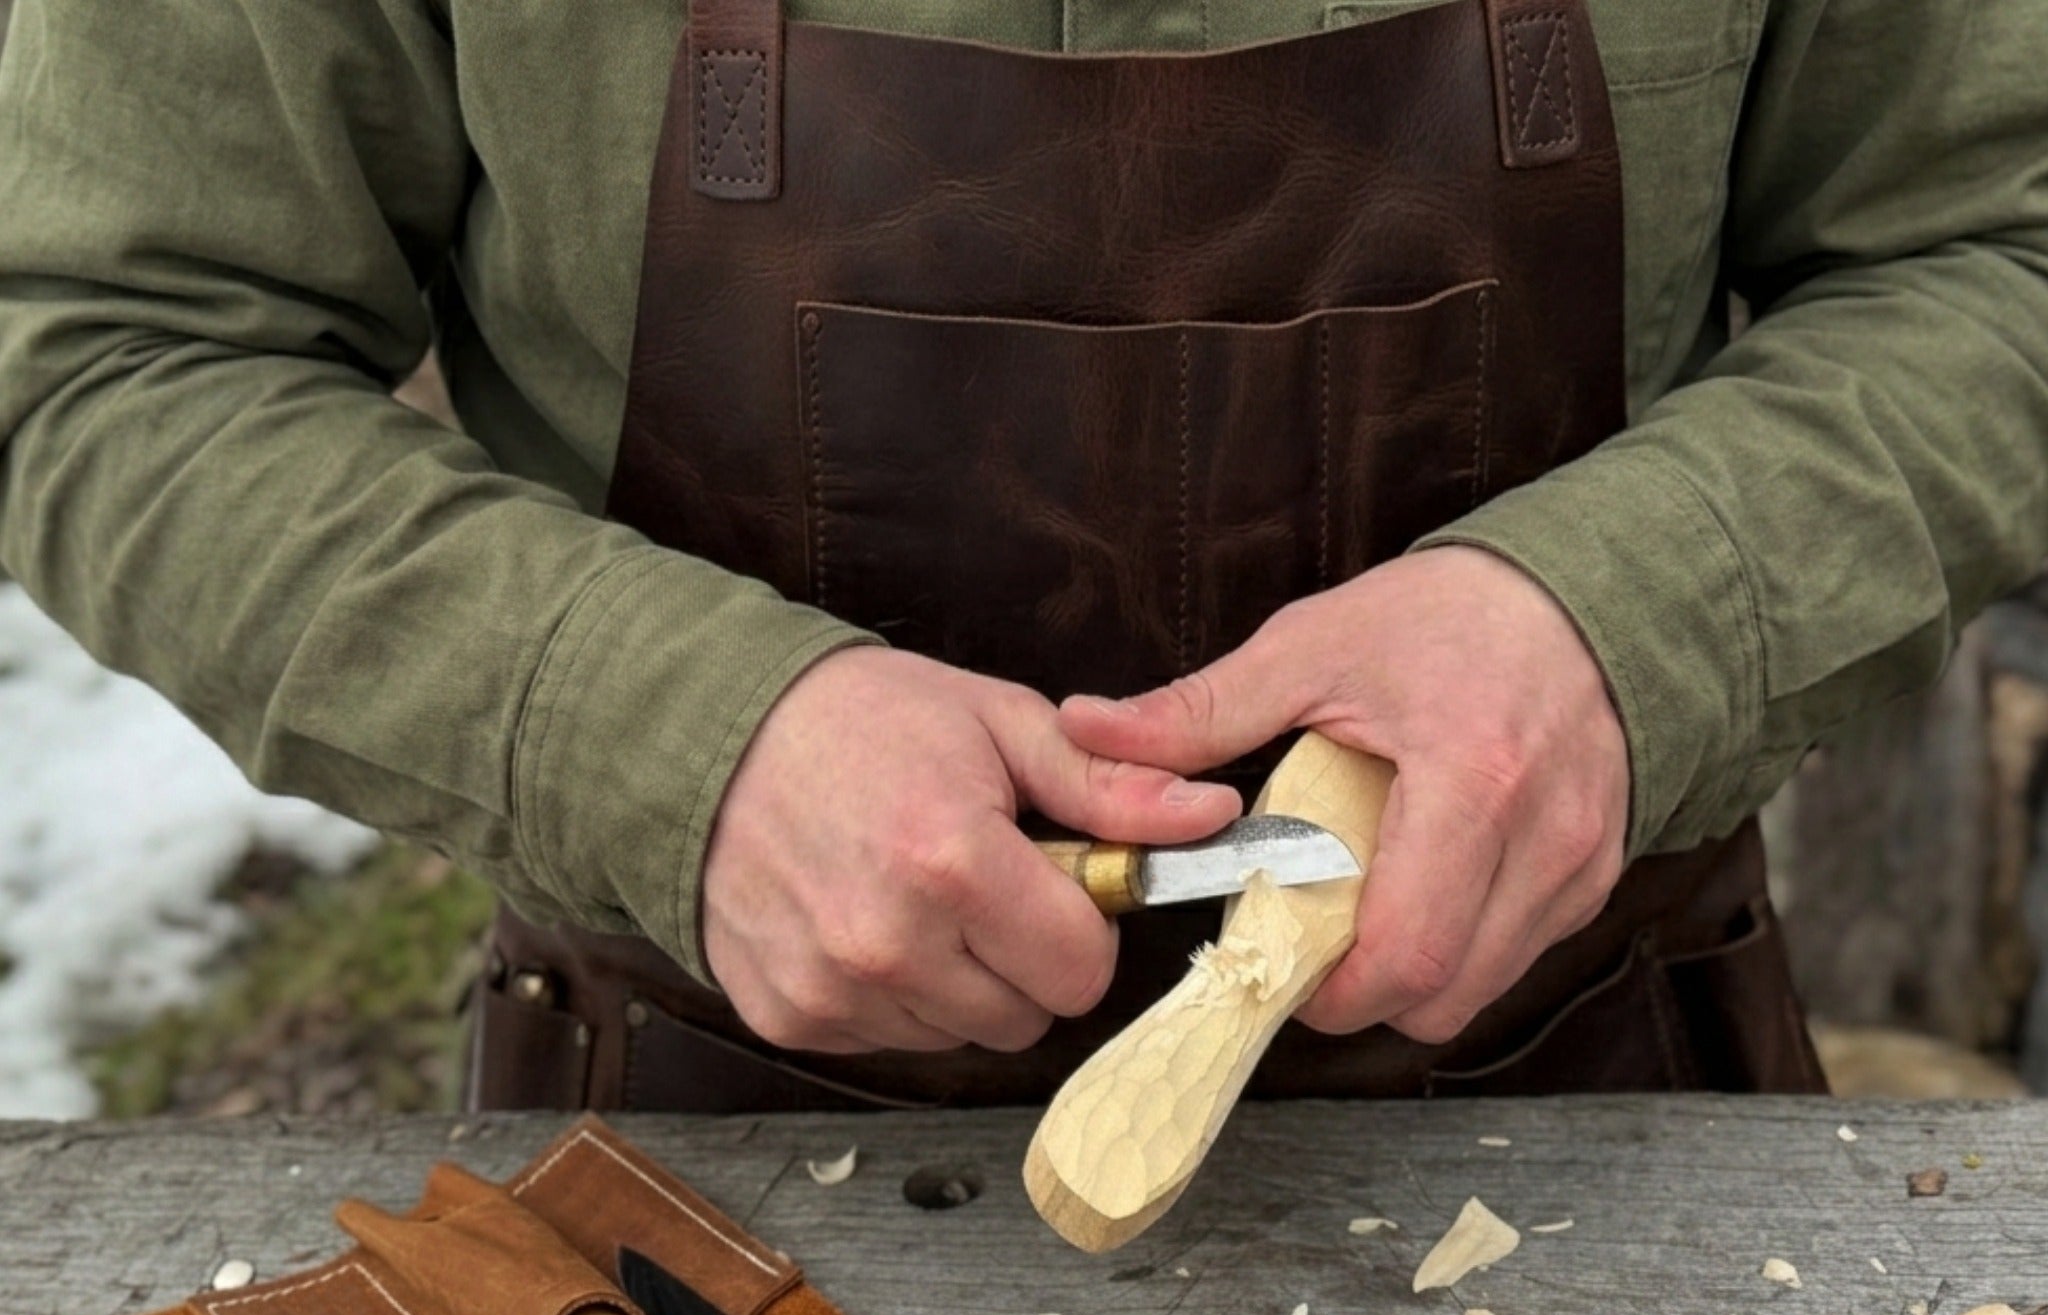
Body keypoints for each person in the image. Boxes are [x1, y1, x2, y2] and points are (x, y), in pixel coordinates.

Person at [0, 0, 2044, 1115]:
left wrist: (1633, 626)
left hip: (1599, 1098)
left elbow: (1996, 240)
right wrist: (655, 735)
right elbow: (105, 348)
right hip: (710, 1158)